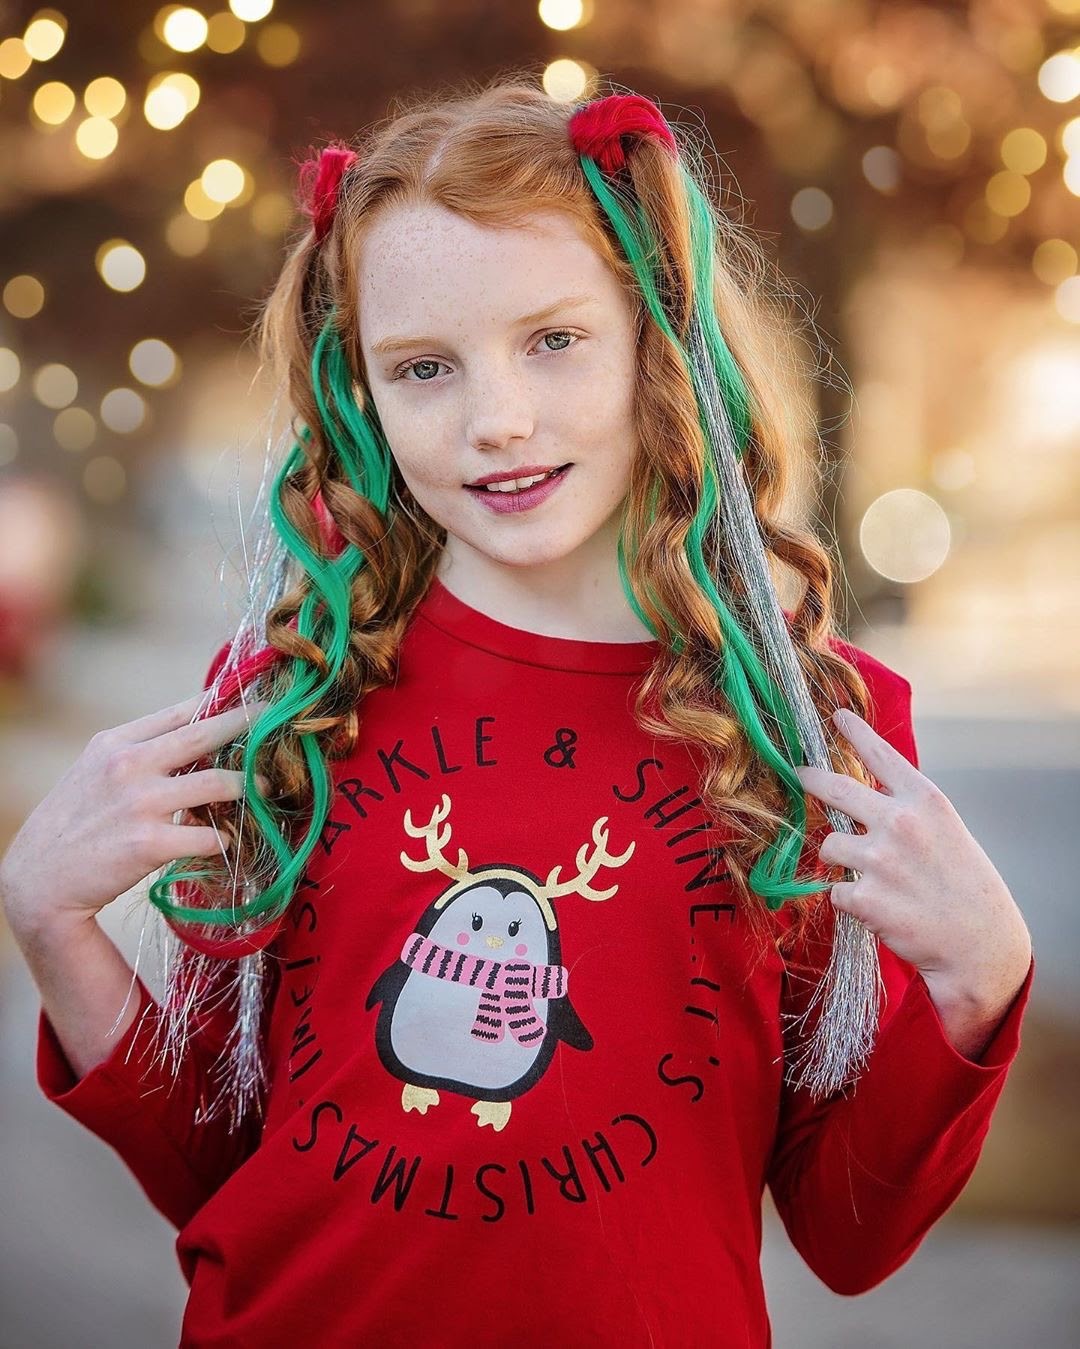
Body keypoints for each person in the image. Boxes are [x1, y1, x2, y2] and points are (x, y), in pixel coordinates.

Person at [1, 75, 1034, 1348]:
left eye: (553, 340)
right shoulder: (290, 696)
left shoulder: (809, 730)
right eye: (424, 367)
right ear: (361, 391)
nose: (497, 420)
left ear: (657, 339)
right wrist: (51, 920)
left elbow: (848, 1231)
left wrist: (980, 980)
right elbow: (215, 1162)